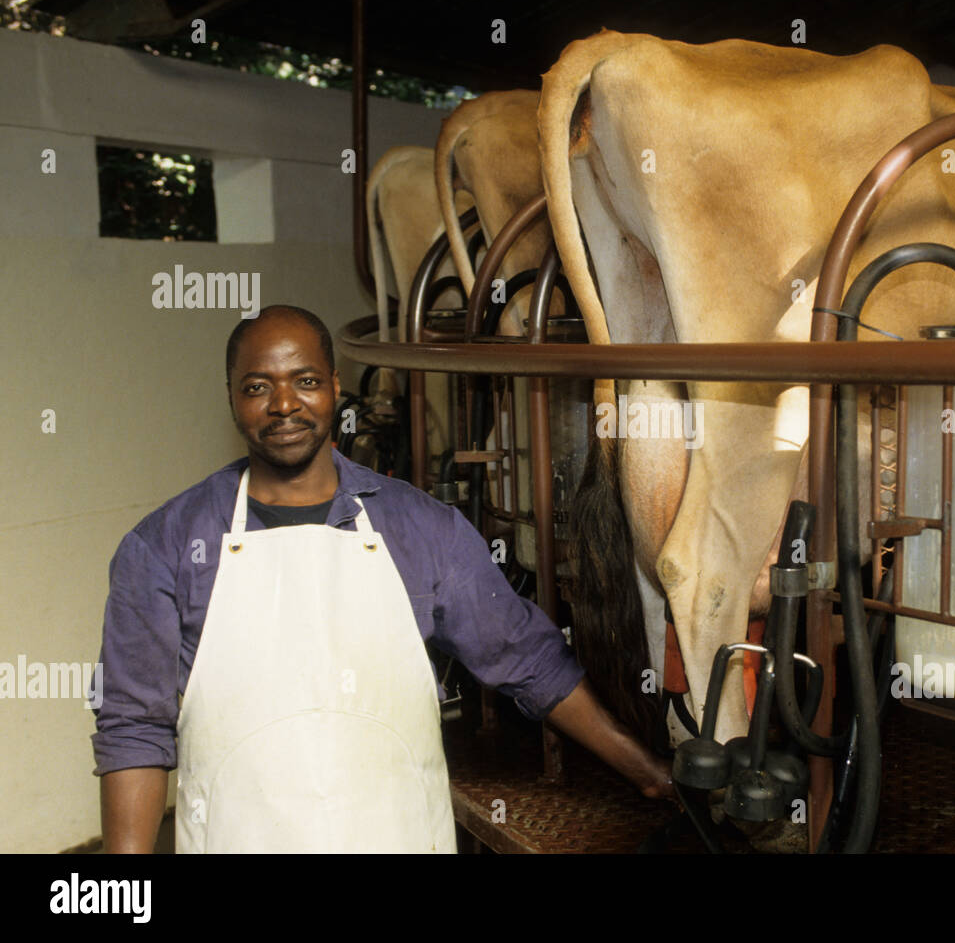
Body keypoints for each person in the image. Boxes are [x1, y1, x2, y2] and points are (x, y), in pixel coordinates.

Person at [93, 304, 672, 853]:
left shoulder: (421, 528)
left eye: (305, 381)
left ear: (334, 386)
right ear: (231, 398)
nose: (284, 404)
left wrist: (648, 773)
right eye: (257, 386)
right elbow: (133, 730)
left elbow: (526, 659)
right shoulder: (163, 546)